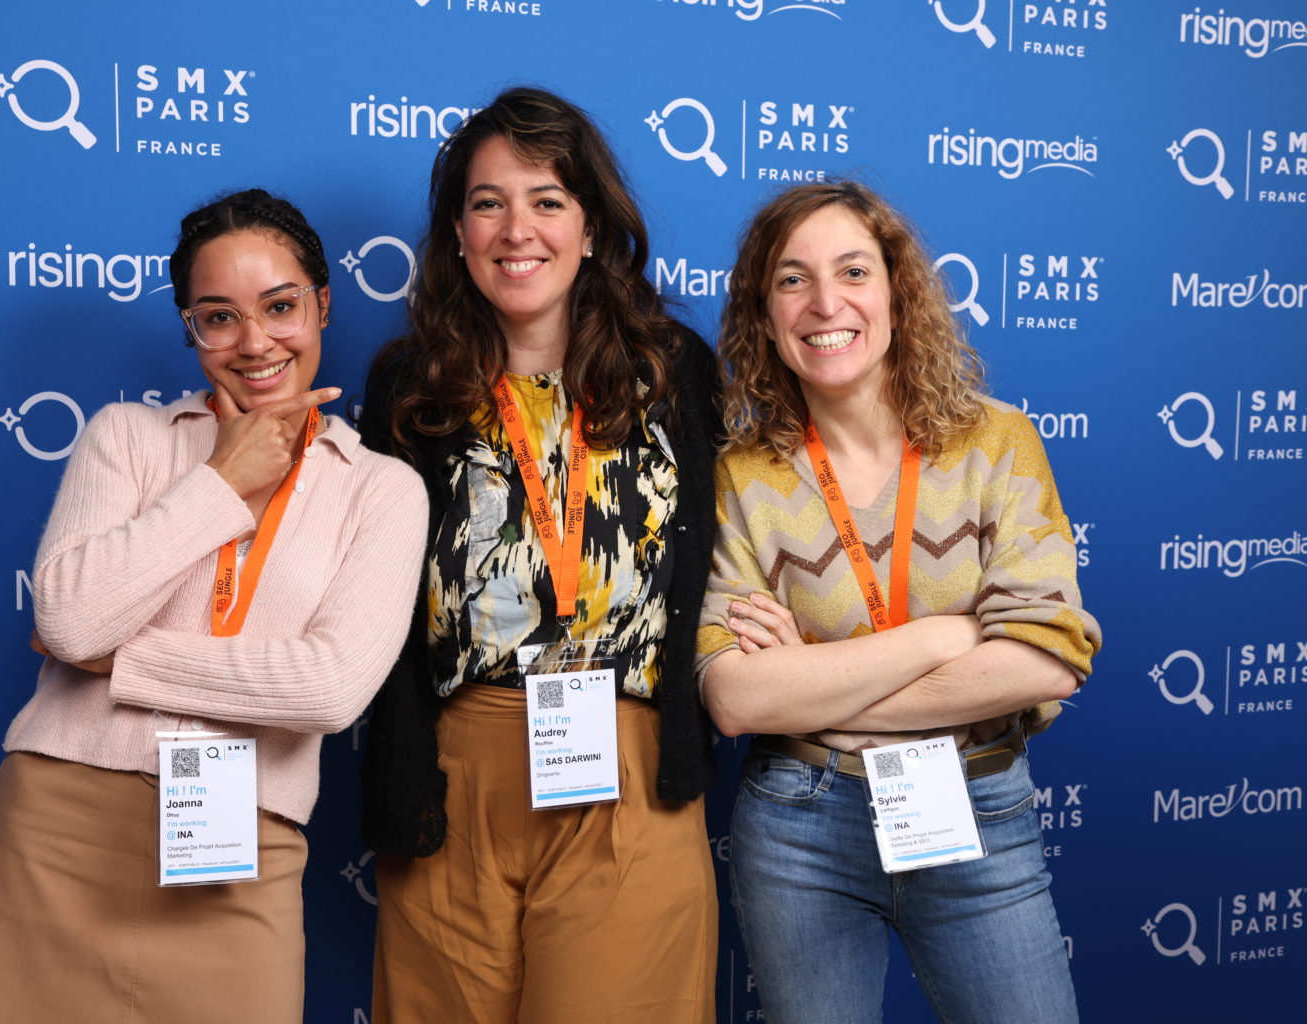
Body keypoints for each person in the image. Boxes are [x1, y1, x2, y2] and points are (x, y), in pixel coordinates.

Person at [0, 189, 427, 1024]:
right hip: (57, 829)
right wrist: (223, 481)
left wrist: (121, 661)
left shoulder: (382, 489)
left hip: (240, 852)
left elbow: (330, 689)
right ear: (190, 330)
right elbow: (70, 620)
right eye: (219, 317)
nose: (255, 342)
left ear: (323, 304)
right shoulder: (127, 437)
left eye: (280, 306)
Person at [697, 180, 1100, 1024]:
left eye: (853, 271)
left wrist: (809, 681)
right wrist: (945, 637)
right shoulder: (741, 474)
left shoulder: (998, 442)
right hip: (800, 828)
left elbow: (1048, 661)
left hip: (977, 808)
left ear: (896, 292)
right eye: (793, 279)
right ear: (764, 315)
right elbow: (735, 699)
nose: (825, 303)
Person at [358, 87, 720, 1023]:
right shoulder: (408, 386)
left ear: (591, 227)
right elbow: (377, 603)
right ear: (458, 232)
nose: (516, 229)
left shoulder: (674, 371)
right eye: (488, 203)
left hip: (629, 771)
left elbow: (726, 556)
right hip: (453, 779)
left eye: (546, 201)